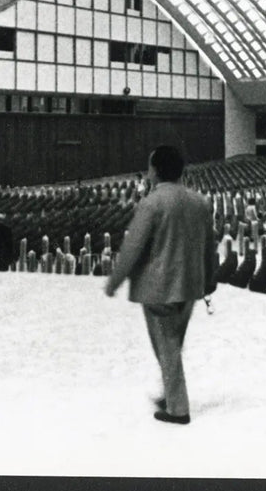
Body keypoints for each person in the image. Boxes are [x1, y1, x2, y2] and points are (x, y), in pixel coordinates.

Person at [105, 145, 218, 425]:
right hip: (190, 286)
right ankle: (170, 392)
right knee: (172, 345)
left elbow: (133, 247)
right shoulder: (200, 201)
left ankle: (178, 409)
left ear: (155, 170)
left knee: (166, 347)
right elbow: (209, 247)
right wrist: (209, 282)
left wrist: (115, 281)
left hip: (158, 288)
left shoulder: (152, 203)